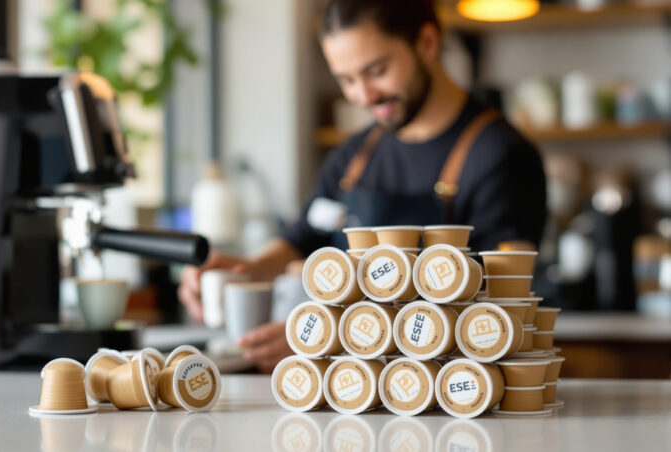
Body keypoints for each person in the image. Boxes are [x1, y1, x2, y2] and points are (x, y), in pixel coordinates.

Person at [178, 0, 546, 373]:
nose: (363, 96)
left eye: (377, 71)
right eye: (347, 80)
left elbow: (501, 300)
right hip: (348, 393)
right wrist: (243, 270)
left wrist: (332, 336)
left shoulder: (502, 155)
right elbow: (302, 238)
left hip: (447, 391)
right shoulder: (354, 157)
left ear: (427, 43)